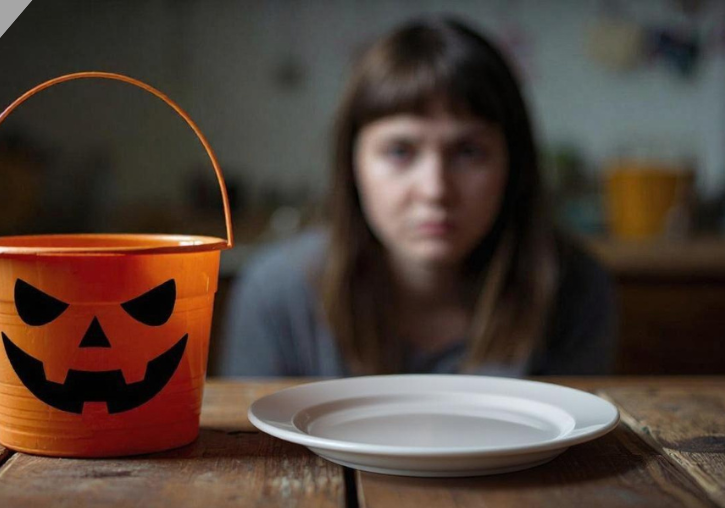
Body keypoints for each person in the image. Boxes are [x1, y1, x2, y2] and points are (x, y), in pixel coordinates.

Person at [218, 16, 616, 377]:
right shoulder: (275, 295)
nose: (435, 190)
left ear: (513, 164)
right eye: (399, 151)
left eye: (468, 152)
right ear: (351, 165)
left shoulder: (572, 289)